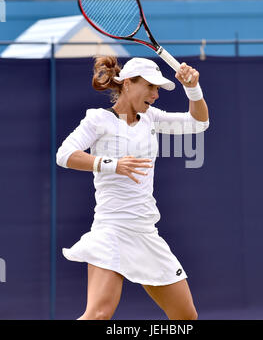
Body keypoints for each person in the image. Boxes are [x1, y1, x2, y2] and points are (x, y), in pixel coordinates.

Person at [56, 56, 209, 320]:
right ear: (128, 83)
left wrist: (192, 88)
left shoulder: (152, 118)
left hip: (145, 233)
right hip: (111, 231)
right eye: (150, 86)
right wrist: (111, 164)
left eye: (158, 88)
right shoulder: (98, 120)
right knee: (99, 314)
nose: (156, 94)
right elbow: (64, 154)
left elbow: (198, 123)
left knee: (186, 317)